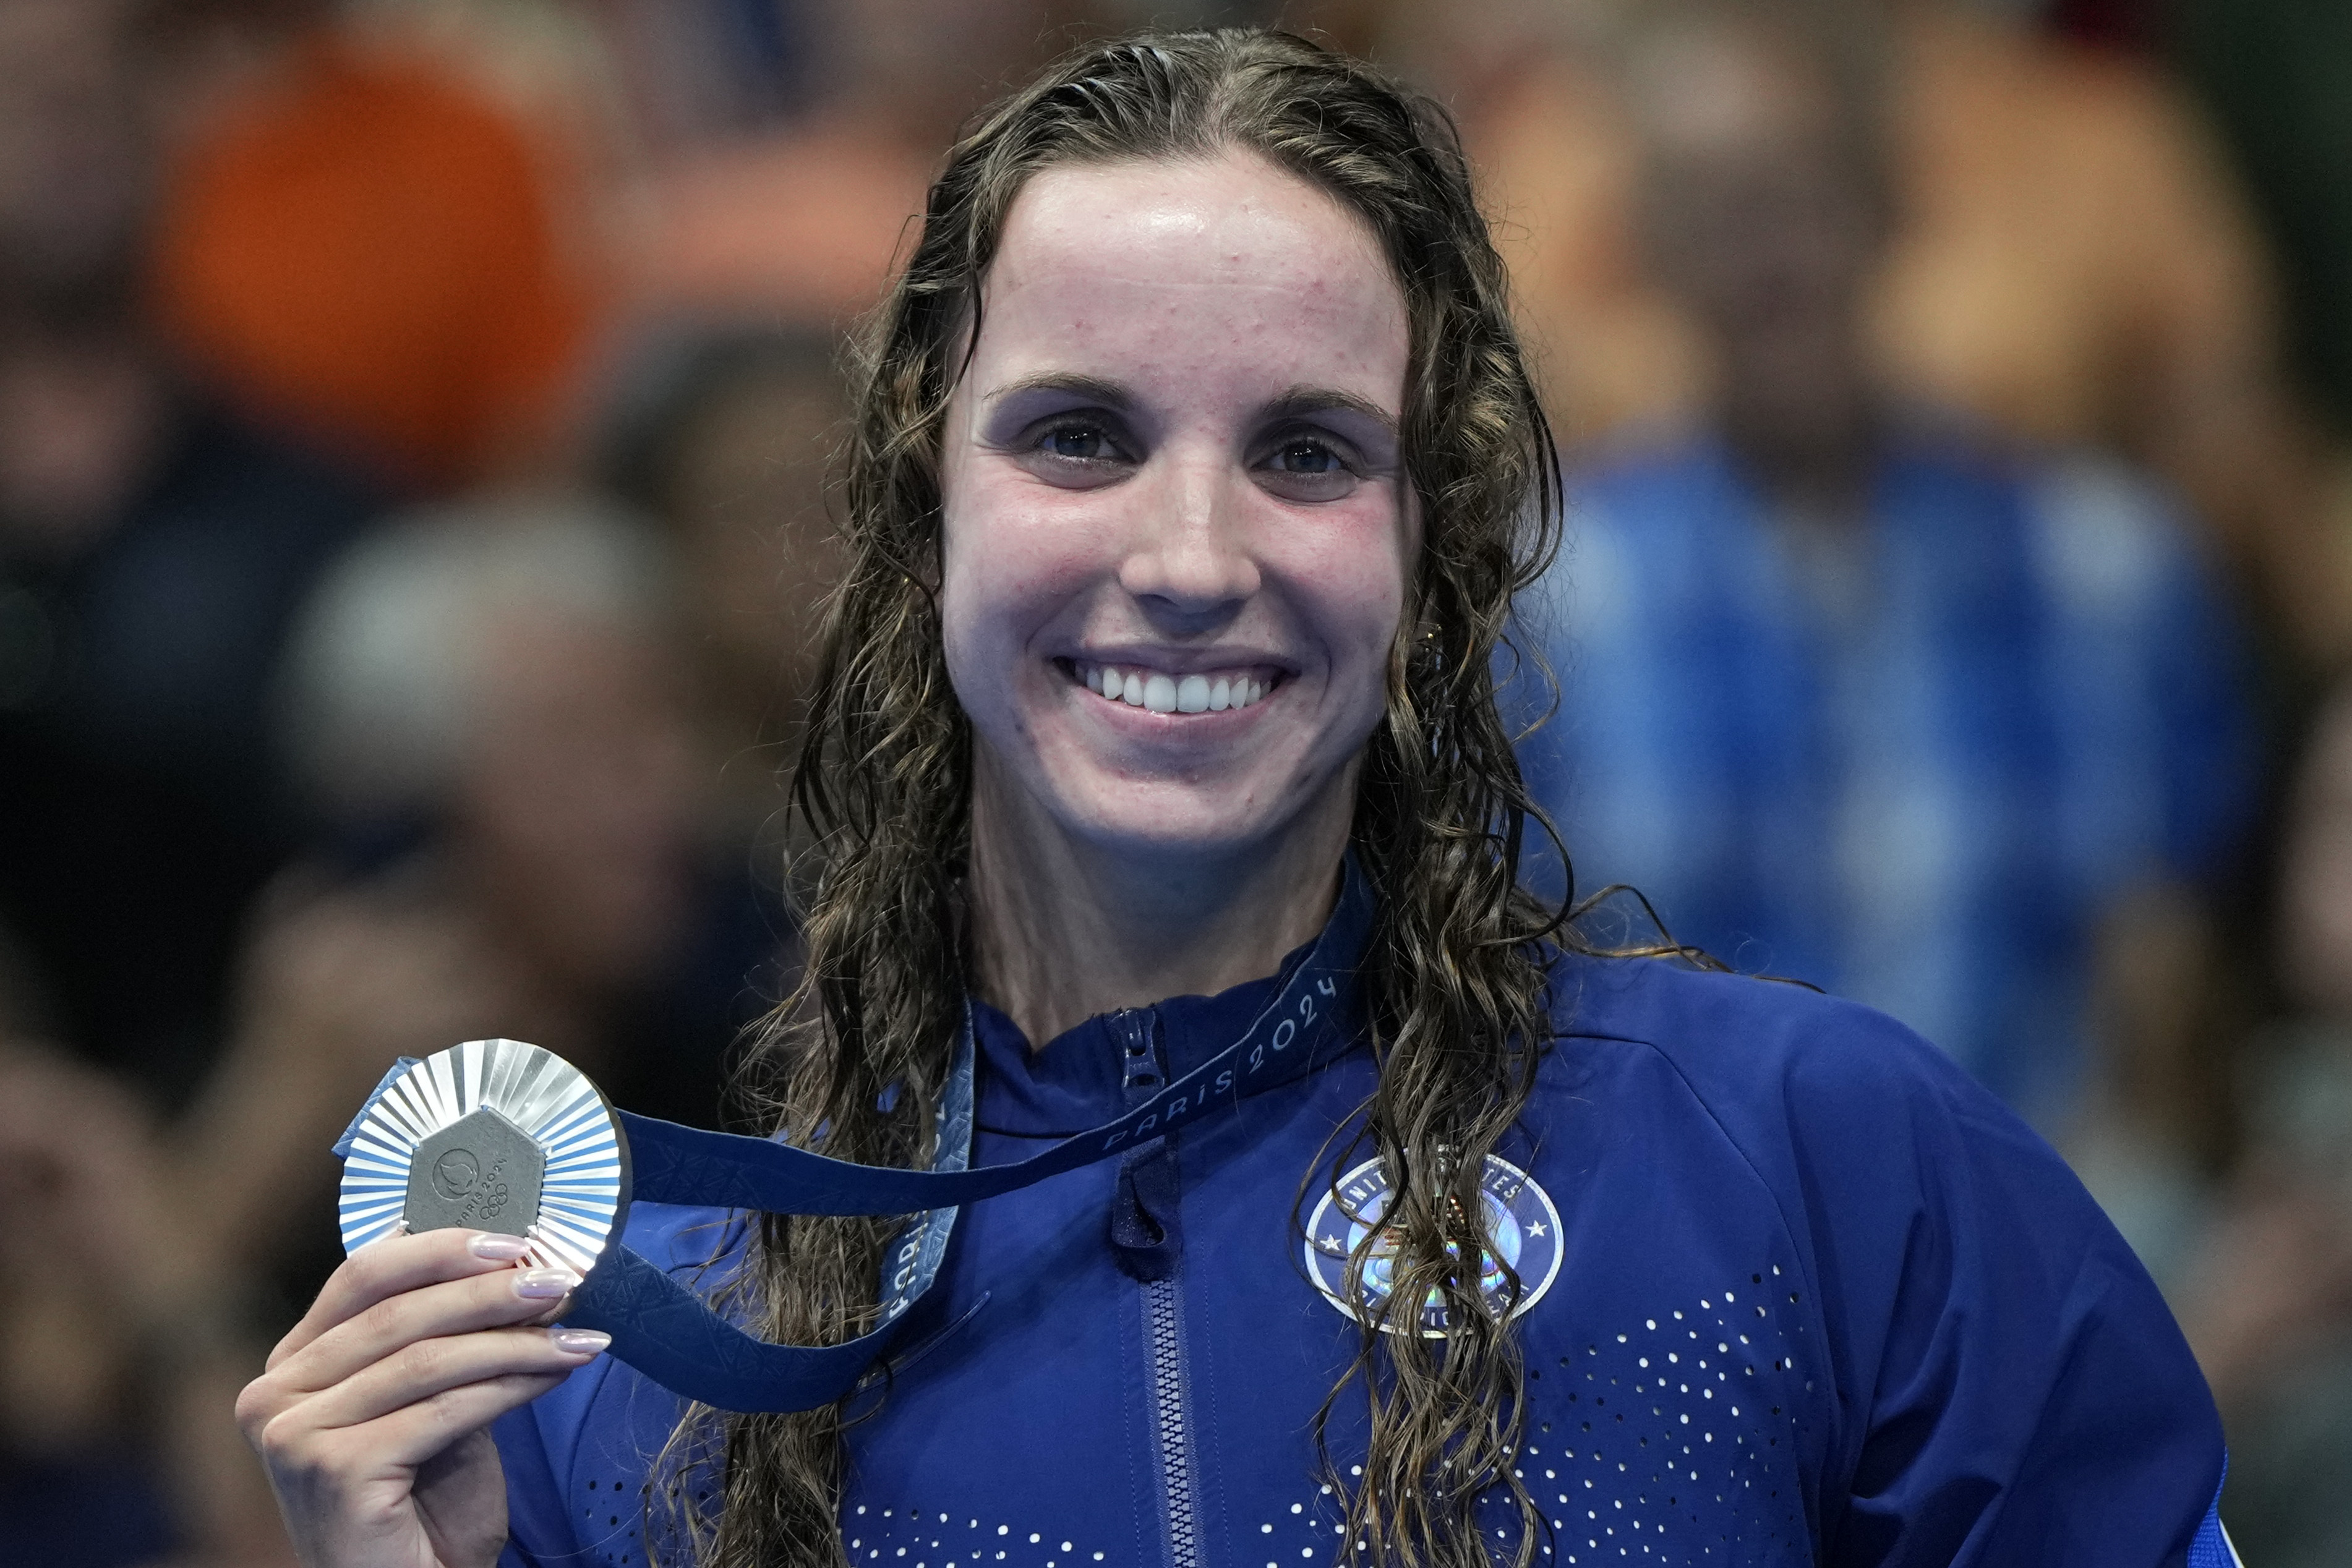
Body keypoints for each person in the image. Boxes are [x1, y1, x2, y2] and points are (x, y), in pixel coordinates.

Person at [236, 30, 2234, 1568]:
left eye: (1301, 449)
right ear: (919, 505)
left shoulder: (1817, 1161)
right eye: (1079, 436)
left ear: (1426, 545)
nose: (1189, 551)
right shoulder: (634, 1379)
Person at [1510, 1, 2254, 1125]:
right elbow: (1502, 972)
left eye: (1799, 193)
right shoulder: (1549, 596)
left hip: (2034, 1219)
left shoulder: (2106, 566)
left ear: (1891, 202)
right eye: (1709, 209)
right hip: (1673, 1242)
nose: (1764, 256)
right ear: (1646, 248)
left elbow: (2166, 977)